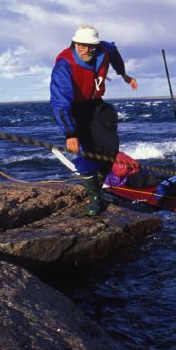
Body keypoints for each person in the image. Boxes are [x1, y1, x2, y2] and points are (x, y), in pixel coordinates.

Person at [50, 25, 137, 215]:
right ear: (75, 43)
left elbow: (113, 52)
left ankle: (98, 184)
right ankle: (94, 196)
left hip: (96, 105)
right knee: (87, 152)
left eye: (91, 46)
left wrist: (123, 74)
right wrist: (70, 133)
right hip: (75, 109)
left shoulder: (104, 49)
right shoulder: (64, 64)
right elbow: (59, 101)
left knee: (110, 147)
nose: (87, 50)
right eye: (82, 46)